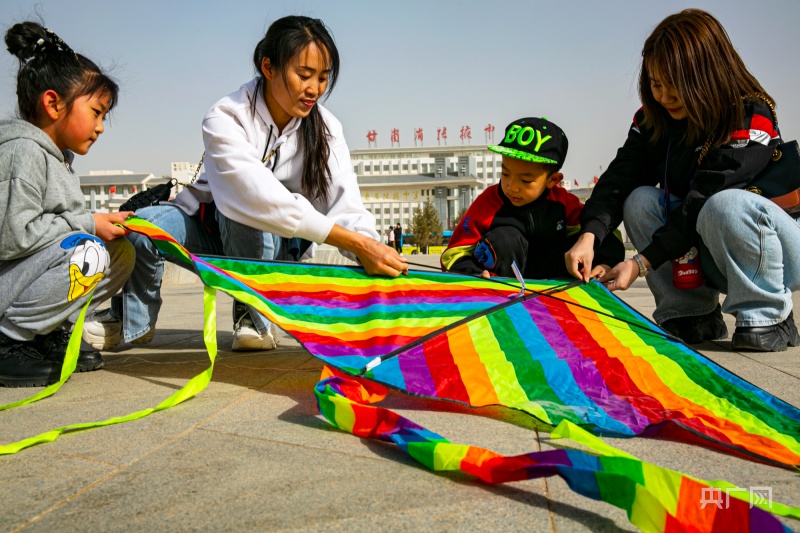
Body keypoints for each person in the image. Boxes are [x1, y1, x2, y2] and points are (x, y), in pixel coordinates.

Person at [83, 16, 407, 353]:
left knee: (248, 217)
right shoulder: (226, 116)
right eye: (304, 75)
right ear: (269, 67)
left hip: (277, 246)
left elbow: (346, 203)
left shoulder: (326, 129)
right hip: (209, 227)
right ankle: (134, 322)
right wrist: (355, 242)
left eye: (323, 78)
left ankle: (255, 316)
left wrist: (372, 250)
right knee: (142, 226)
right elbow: (252, 195)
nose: (314, 89)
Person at [565, 9, 800, 352]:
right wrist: (589, 236)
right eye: (656, 84)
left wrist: (639, 263)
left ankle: (767, 314)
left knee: (725, 204)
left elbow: (704, 199)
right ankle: (691, 315)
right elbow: (619, 178)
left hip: (780, 255)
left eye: (675, 85)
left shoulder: (749, 115)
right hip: (711, 257)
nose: (664, 96)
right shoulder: (653, 121)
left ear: (706, 75)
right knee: (641, 200)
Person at [0, 22, 135, 387]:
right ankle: (9, 339)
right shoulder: (23, 153)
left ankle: (46, 331)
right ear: (53, 103)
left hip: (24, 278)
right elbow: (13, 238)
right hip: (7, 284)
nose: (101, 126)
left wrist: (100, 224)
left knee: (120, 251)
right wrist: (89, 224)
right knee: (89, 250)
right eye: (96, 112)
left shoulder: (58, 159)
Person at [442, 117, 624, 279]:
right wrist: (472, 273)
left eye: (525, 180)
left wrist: (605, 263)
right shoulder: (488, 203)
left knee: (587, 238)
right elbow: (454, 253)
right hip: (503, 284)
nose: (511, 186)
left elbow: (603, 231)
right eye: (505, 174)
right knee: (505, 238)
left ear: (553, 180)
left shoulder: (562, 203)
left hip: (551, 283)